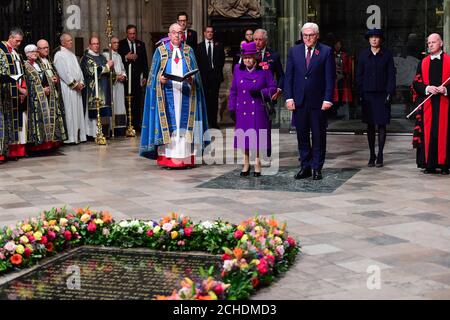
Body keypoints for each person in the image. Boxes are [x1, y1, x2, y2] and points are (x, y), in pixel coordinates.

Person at [140, 23, 209, 169]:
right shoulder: (160, 51)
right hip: (167, 95)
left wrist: (192, 79)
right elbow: (152, 76)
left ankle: (185, 158)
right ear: (169, 35)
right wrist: (160, 79)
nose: (177, 35)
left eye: (180, 33)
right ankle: (169, 159)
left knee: (184, 126)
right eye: (174, 33)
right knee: (171, 126)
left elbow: (197, 76)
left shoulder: (189, 51)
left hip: (186, 95)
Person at [284, 22, 336, 181]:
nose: (308, 38)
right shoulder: (294, 51)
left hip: (319, 102)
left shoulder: (326, 51)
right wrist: (289, 97)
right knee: (302, 135)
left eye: (311, 35)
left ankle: (317, 168)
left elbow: (330, 78)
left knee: (319, 135)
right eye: (305, 35)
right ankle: (305, 166)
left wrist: (328, 99)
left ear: (317, 35)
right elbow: (289, 77)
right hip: (299, 101)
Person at [228, 42, 277, 177]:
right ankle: (245, 162)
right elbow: (233, 91)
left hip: (258, 107)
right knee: (244, 137)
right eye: (245, 57)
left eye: (250, 57)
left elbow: (273, 87)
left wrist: (262, 92)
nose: (247, 60)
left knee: (257, 137)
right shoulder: (238, 69)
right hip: (242, 108)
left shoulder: (264, 69)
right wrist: (231, 108)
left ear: (255, 57)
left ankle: (257, 162)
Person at [356, 29, 396, 168]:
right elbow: (359, 76)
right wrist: (360, 93)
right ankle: (372, 154)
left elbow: (391, 75)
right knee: (370, 125)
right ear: (368, 40)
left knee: (382, 124)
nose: (374, 40)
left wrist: (390, 93)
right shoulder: (363, 55)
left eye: (377, 37)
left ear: (381, 40)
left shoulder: (387, 55)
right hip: (368, 94)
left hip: (382, 94)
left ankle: (380, 154)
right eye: (371, 37)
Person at [412, 33, 450, 175]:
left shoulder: (449, 61)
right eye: (429, 43)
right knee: (430, 134)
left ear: (441, 43)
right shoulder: (422, 63)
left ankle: (445, 164)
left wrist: (445, 89)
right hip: (428, 104)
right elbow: (416, 83)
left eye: (434, 42)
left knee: (444, 134)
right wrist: (427, 88)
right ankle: (429, 164)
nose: (431, 45)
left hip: (445, 104)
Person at [23, 44, 65, 152]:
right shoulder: (25, 65)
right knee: (38, 121)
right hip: (35, 99)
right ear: (27, 54)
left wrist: (50, 85)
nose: (34, 53)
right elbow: (29, 83)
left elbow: (46, 77)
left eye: (35, 51)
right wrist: (42, 90)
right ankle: (37, 145)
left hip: (45, 97)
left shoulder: (39, 65)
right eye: (32, 52)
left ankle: (47, 143)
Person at [53, 32, 87, 145]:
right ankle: (71, 137)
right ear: (62, 42)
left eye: (71, 40)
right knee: (70, 111)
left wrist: (81, 82)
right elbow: (63, 73)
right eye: (69, 40)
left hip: (77, 89)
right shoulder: (59, 55)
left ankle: (79, 136)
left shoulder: (72, 55)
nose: (71, 42)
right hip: (68, 89)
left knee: (77, 112)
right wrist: (74, 84)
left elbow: (79, 71)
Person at [0, 28, 28, 161]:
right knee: (5, 122)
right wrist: (17, 88)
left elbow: (20, 72)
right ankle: (5, 151)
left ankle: (12, 151)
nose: (18, 44)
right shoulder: (1, 51)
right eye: (17, 41)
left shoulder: (16, 53)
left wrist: (22, 89)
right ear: (10, 37)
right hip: (5, 93)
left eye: (20, 42)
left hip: (16, 93)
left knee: (14, 123)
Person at [80, 36, 114, 139]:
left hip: (103, 88)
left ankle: (102, 132)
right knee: (93, 113)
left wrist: (111, 69)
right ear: (89, 45)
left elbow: (108, 72)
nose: (96, 46)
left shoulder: (102, 57)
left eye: (98, 43)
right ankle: (92, 133)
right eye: (94, 44)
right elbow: (92, 72)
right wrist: (107, 66)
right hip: (92, 90)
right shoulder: (86, 58)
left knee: (102, 111)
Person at [118, 25, 149, 132]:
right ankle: (127, 124)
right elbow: (117, 58)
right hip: (126, 78)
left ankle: (136, 124)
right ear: (127, 33)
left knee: (137, 101)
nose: (132, 35)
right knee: (127, 101)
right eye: (130, 33)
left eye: (134, 33)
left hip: (137, 78)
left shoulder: (141, 44)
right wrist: (126, 57)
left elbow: (145, 61)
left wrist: (145, 76)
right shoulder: (121, 44)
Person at [36, 39, 67, 142]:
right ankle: (46, 142)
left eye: (47, 47)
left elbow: (55, 75)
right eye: (43, 48)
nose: (46, 50)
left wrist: (56, 79)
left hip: (54, 95)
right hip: (45, 95)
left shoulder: (49, 60)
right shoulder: (36, 62)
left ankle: (55, 140)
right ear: (38, 49)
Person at [195, 26, 225, 129]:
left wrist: (217, 72)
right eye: (208, 32)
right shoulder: (199, 47)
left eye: (211, 32)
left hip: (215, 77)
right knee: (205, 100)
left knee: (214, 101)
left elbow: (222, 61)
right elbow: (198, 63)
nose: (210, 34)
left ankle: (214, 123)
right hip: (203, 77)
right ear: (204, 33)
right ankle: (206, 123)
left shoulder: (219, 46)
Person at [103, 37, 127, 136]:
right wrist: (116, 76)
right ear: (110, 44)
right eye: (114, 43)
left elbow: (123, 69)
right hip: (111, 85)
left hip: (120, 85)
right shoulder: (106, 55)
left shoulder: (119, 56)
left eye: (118, 42)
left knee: (120, 106)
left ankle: (120, 129)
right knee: (113, 105)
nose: (117, 44)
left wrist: (123, 76)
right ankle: (111, 128)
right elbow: (105, 70)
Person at [253, 29, 284, 101]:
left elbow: (281, 75)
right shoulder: (248, 55)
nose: (257, 42)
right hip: (251, 94)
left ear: (266, 41)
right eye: (255, 39)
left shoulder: (274, 55)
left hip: (268, 94)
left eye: (260, 40)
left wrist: (279, 89)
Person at [331, 39, 353, 118]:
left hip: (342, 77)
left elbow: (348, 68)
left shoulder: (344, 55)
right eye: (336, 44)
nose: (337, 46)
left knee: (341, 92)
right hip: (332, 77)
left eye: (339, 44)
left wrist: (344, 73)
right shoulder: (330, 54)